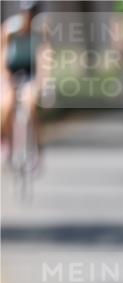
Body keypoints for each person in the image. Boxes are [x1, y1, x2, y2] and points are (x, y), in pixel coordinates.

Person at [1, 0, 44, 166]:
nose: (29, 17)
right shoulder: (10, 30)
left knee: (31, 106)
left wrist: (42, 83)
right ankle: (7, 143)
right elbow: (2, 57)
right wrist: (5, 78)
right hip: (12, 73)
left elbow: (44, 58)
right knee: (8, 105)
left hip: (31, 74)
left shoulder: (41, 31)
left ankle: (38, 151)